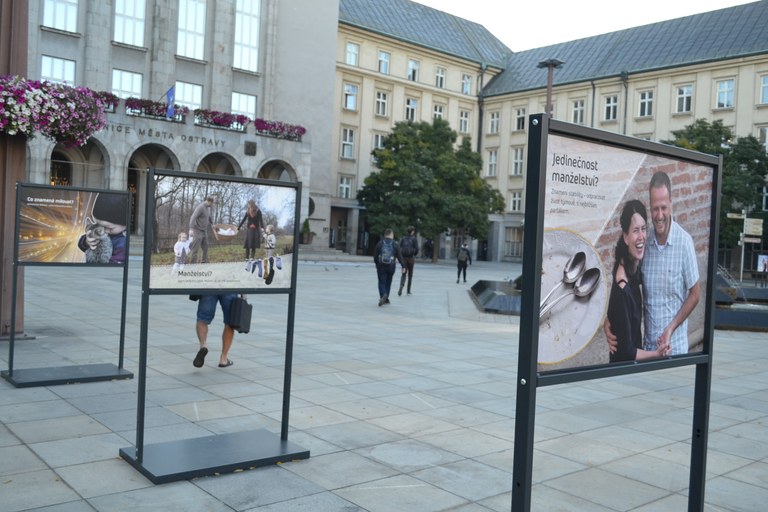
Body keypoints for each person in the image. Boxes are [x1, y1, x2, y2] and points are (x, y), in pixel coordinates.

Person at [607, 171, 700, 357]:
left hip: (675, 349)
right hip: (648, 350)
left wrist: (670, 329)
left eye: (664, 208)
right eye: (655, 208)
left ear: (671, 204)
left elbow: (695, 294)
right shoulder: (644, 244)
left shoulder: (684, 243)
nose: (659, 215)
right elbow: (625, 283)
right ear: (650, 206)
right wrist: (609, 320)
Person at [607, 200, 668, 362]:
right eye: (635, 231)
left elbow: (617, 314)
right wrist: (657, 354)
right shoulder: (623, 288)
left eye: (643, 229)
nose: (641, 237)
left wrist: (609, 320)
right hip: (621, 375)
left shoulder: (631, 266)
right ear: (626, 237)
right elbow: (626, 352)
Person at [192, 293, 244, 368]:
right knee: (229, 322)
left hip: (210, 286)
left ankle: (203, 345)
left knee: (202, 319)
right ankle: (223, 359)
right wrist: (244, 292)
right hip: (230, 286)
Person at [77, 192, 129, 264]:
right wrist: (86, 241)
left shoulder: (123, 242)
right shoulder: (100, 232)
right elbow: (81, 244)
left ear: (125, 224)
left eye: (110, 228)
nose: (104, 230)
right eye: (99, 225)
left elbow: (117, 264)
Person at [373, 228, 403, 306]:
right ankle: (386, 298)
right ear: (391, 235)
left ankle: (383, 295)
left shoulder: (380, 243)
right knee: (388, 282)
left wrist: (377, 264)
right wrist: (403, 266)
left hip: (381, 265)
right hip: (391, 266)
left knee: (381, 282)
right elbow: (400, 256)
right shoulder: (395, 244)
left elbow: (375, 256)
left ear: (385, 235)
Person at [238, 199, 264, 268]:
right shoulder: (248, 211)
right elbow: (244, 219)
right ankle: (246, 258)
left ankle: (252, 258)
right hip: (249, 229)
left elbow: (260, 220)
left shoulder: (258, 211)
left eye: (249, 204)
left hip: (255, 229)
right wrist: (239, 227)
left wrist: (262, 227)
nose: (248, 205)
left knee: (253, 244)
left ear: (251, 204)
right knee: (247, 244)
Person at [189, 196, 215, 264]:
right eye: (212, 203)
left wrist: (212, 223)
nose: (212, 205)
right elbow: (193, 217)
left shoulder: (207, 208)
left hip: (204, 231)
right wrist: (191, 228)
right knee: (195, 249)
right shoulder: (200, 207)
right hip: (197, 231)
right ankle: (192, 264)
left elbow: (209, 216)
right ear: (209, 201)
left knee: (206, 247)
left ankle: (204, 262)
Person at [397, 225, 418, 296]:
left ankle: (401, 286)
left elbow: (399, 247)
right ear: (412, 232)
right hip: (411, 259)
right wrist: (414, 254)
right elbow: (417, 249)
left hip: (404, 259)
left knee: (403, 273)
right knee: (410, 275)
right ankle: (408, 291)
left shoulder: (403, 238)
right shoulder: (414, 239)